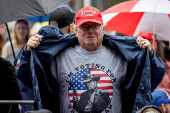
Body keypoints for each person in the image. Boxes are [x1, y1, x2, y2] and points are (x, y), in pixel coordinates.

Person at [15, 6, 165, 113]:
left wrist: (149, 56)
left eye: (94, 26)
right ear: (75, 30)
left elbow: (150, 79)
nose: (89, 31)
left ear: (103, 29)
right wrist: (28, 53)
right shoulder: (58, 56)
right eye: (84, 26)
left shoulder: (123, 55)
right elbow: (30, 79)